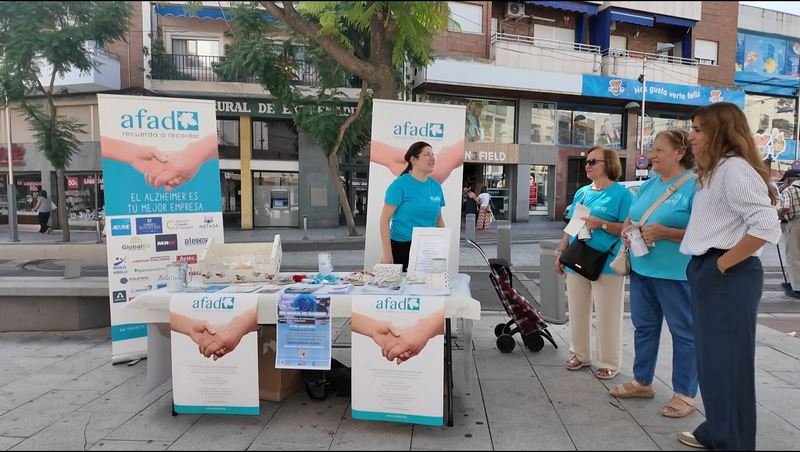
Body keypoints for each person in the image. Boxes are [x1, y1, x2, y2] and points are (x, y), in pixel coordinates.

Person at [677, 102, 781, 450]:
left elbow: (766, 227)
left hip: (726, 272)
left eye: (697, 130)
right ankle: (719, 430)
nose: (690, 136)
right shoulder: (717, 170)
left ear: (719, 133)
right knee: (714, 361)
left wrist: (723, 264)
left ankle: (732, 440)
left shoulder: (733, 170)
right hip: (714, 269)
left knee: (727, 362)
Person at [609, 130, 699, 418]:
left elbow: (705, 232)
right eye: (652, 149)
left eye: (659, 149)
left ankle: (685, 393)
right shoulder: (649, 185)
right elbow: (633, 216)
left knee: (684, 333)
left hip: (677, 273)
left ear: (679, 153)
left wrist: (667, 233)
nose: (652, 154)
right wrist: (626, 231)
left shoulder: (695, 186)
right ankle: (642, 381)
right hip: (642, 267)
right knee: (644, 327)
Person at [555, 146, 633, 380]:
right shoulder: (583, 193)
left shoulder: (622, 195)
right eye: (586, 162)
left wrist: (602, 224)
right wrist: (561, 249)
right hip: (578, 257)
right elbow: (573, 226)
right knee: (578, 309)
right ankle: (579, 354)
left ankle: (609, 362)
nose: (587, 165)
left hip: (607, 262)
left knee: (608, 313)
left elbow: (628, 228)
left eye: (593, 161)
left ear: (608, 164)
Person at [379, 141, 445, 271]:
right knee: (402, 289)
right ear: (414, 160)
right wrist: (387, 255)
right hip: (401, 247)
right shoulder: (399, 185)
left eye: (433, 155)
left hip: (427, 249)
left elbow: (439, 220)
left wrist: (442, 247)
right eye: (427, 155)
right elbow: (384, 220)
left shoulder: (436, 186)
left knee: (426, 288)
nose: (432, 158)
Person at [778, 169, 800, 298]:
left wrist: (779, 216)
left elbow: (785, 207)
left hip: (796, 224)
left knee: (794, 256)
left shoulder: (789, 190)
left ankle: (797, 287)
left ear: (788, 179)